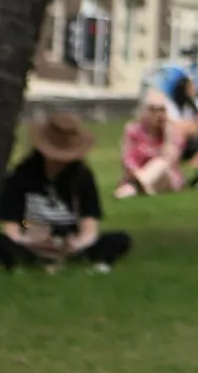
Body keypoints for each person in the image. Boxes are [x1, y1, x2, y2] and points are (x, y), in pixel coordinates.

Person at [1, 114, 130, 272]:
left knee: (119, 239)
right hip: (30, 236)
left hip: (69, 239)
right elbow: (11, 227)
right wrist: (29, 241)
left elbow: (89, 226)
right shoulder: (21, 176)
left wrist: (76, 244)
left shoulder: (82, 177)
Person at [119, 90, 185, 196]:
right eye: (153, 110)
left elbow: (171, 160)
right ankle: (140, 185)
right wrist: (136, 172)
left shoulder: (172, 131)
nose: (159, 114)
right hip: (136, 173)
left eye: (162, 110)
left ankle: (136, 185)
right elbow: (126, 159)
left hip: (166, 179)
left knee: (161, 163)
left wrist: (168, 134)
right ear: (143, 111)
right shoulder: (132, 130)